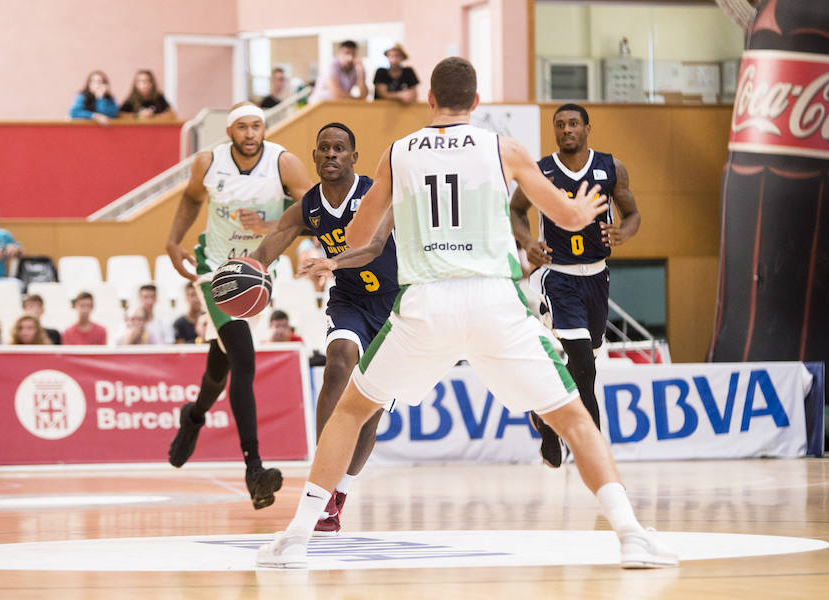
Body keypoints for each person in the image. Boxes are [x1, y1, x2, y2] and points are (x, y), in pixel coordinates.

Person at [257, 57, 677, 570]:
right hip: (492, 301)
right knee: (574, 418)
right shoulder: (503, 147)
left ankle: (297, 538)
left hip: (424, 304)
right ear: (477, 103)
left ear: (429, 99)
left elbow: (363, 233)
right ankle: (631, 536)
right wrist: (585, 209)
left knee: (351, 411)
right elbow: (564, 218)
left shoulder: (399, 151)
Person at [249, 121, 398, 535]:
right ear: (314, 156)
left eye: (339, 149)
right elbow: (279, 233)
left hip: (395, 306)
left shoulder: (374, 194)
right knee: (338, 361)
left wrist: (332, 261)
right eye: (323, 149)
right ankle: (322, 480)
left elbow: (374, 247)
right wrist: (250, 267)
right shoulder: (310, 205)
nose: (331, 154)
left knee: (369, 410)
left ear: (354, 157)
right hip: (350, 301)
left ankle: (339, 496)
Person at [165, 101, 312, 510]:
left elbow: (312, 211)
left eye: (257, 126)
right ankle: (254, 469)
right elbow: (192, 200)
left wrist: (271, 227)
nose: (251, 133)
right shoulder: (208, 162)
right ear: (230, 131)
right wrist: (173, 240)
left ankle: (193, 417)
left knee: (222, 361)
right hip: (216, 270)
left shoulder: (285, 163)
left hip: (257, 272)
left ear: (264, 129)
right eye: (243, 127)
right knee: (244, 359)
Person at [510, 103, 640, 468]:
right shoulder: (541, 170)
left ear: (586, 128)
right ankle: (595, 455)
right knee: (584, 363)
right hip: (558, 274)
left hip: (597, 275)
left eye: (573, 124)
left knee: (586, 360)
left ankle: (546, 418)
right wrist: (527, 243)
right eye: (560, 125)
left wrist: (624, 233)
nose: (566, 130)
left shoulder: (612, 167)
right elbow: (516, 210)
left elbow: (633, 214)